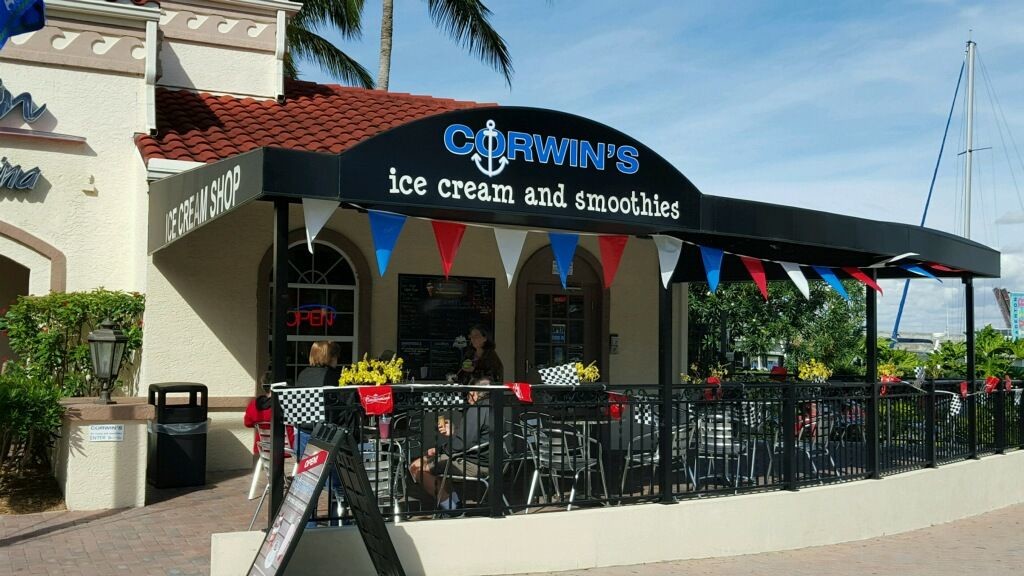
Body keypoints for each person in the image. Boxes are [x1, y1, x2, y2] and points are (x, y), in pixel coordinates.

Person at [408, 377, 494, 512]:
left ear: (474, 393)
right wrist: (454, 431)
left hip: (476, 464)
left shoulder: (477, 409)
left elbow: (461, 444)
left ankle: (450, 508)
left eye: (468, 394)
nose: (468, 398)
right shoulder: (494, 407)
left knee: (416, 467)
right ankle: (455, 502)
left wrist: (439, 450)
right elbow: (476, 439)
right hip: (492, 461)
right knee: (439, 464)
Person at [243, 379, 294, 456]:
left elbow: (247, 423)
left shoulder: (253, 404)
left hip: (263, 450)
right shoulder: (289, 404)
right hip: (288, 451)